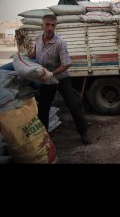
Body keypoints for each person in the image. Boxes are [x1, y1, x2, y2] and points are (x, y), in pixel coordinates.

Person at [28, 14, 90, 145]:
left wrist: (52, 73)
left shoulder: (60, 43)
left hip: (61, 78)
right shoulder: (38, 39)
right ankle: (45, 137)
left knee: (73, 105)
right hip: (47, 79)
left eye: (53, 25)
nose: (50, 28)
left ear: (55, 26)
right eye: (47, 25)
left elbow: (67, 63)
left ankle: (83, 133)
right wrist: (23, 57)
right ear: (42, 25)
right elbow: (35, 53)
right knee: (43, 107)